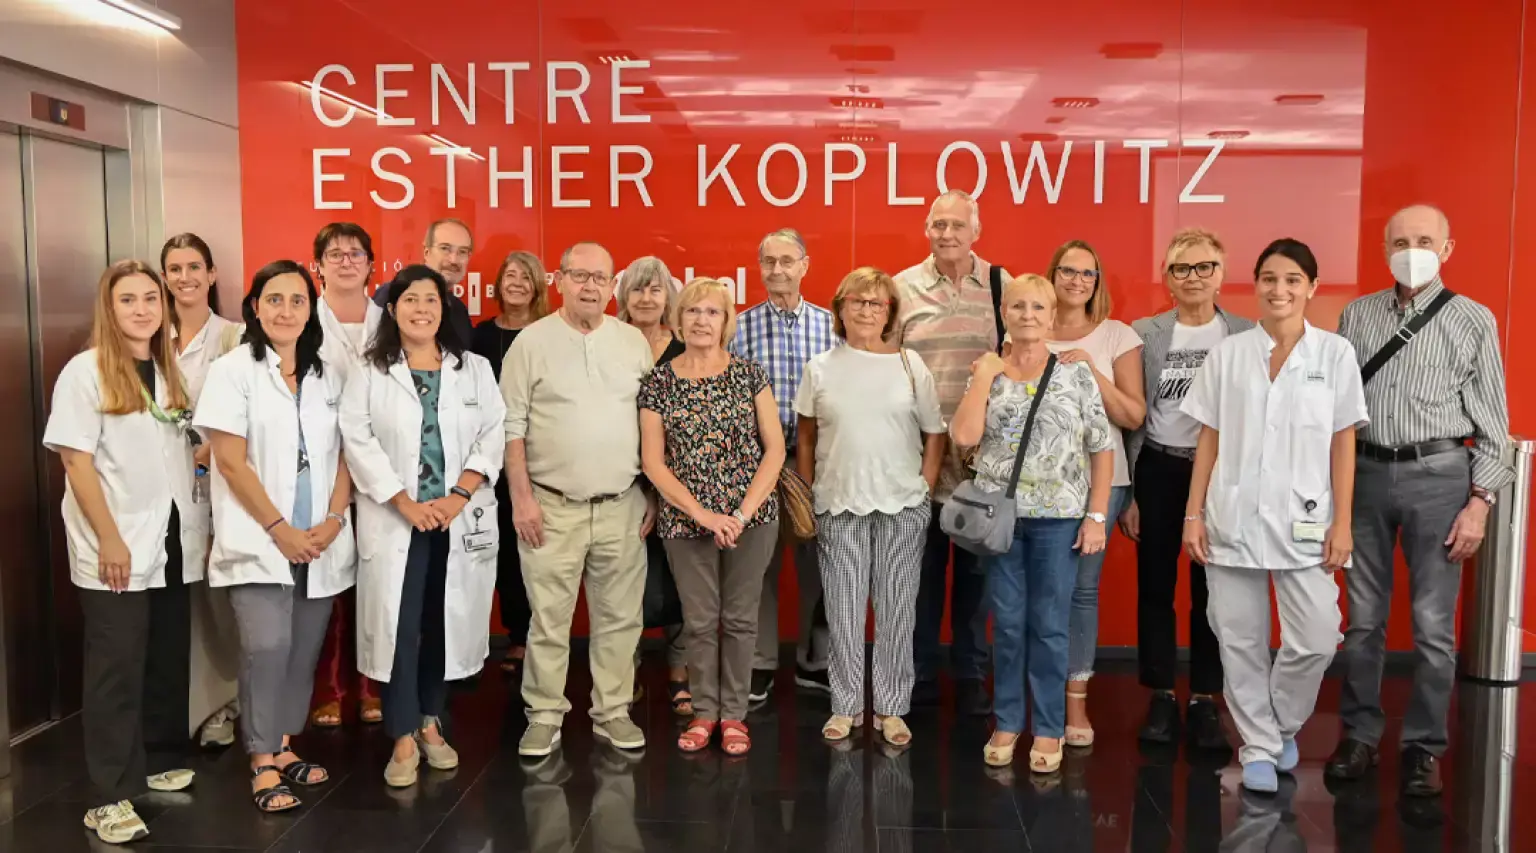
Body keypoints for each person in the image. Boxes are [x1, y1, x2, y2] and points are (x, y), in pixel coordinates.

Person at [1328, 204, 1513, 796]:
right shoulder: (1355, 316)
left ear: (1448, 247)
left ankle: (1423, 747)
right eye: (1402, 240)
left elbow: (1495, 428)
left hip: (1440, 474)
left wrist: (1479, 502)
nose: (1413, 249)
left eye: (1425, 239)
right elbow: (1334, 409)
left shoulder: (1473, 320)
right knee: (1361, 622)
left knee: (1434, 626)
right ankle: (1359, 734)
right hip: (1364, 473)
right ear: (1384, 249)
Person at [1180, 239, 1366, 793]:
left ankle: (1277, 726)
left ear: (1311, 286)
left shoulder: (1334, 355)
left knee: (1316, 637)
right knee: (1238, 637)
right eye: (1268, 278)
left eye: (1291, 279)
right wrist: (1193, 515)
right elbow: (1207, 441)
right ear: (1255, 285)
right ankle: (1259, 748)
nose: (1279, 289)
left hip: (1308, 520)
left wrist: (1343, 522)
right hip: (1230, 516)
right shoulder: (1228, 355)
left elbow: (1343, 443)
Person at [43, 260, 200, 844]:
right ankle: (108, 797)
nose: (142, 309)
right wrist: (108, 536)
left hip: (171, 534)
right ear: (109, 310)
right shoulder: (85, 373)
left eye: (150, 299)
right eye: (128, 300)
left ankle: (156, 758)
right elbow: (76, 462)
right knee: (115, 666)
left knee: (164, 655)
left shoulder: (167, 368)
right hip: (116, 540)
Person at [195, 260, 357, 813]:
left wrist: (333, 522)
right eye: (275, 299)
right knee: (266, 646)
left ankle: (285, 745)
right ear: (256, 307)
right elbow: (231, 463)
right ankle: (261, 757)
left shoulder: (327, 374)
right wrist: (280, 530)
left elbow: (345, 456)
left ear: (310, 310)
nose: (286, 310)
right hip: (261, 538)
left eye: (297, 301)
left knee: (302, 650)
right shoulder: (233, 370)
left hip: (320, 538)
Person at [342, 265, 507, 787]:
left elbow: (492, 433)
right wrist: (403, 502)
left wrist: (458, 495)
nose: (421, 310)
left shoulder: (474, 368)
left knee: (443, 620)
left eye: (431, 301)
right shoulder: (370, 370)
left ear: (445, 309)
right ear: (393, 310)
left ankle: (432, 721)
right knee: (398, 627)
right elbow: (357, 438)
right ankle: (400, 732)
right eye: (410, 300)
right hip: (396, 520)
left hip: (456, 518)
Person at [949, 274, 1113, 773]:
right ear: (1004, 310)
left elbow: (1102, 449)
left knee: (1049, 626)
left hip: (1060, 520)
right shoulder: (988, 370)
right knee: (1010, 623)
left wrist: (1097, 517)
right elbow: (963, 436)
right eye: (1017, 306)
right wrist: (983, 377)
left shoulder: (1075, 374)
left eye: (1037, 308)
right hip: (1001, 519)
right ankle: (1008, 721)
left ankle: (1047, 726)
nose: (1027, 315)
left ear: (1051, 314)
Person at [501, 241, 655, 757]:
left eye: (600, 278)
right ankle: (544, 713)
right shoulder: (530, 342)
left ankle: (612, 711)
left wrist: (651, 493)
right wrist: (521, 499)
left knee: (620, 618)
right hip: (551, 506)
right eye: (579, 276)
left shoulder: (633, 341)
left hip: (622, 503)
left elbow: (652, 424)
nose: (590, 287)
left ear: (613, 288)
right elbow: (511, 427)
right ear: (559, 280)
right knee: (548, 619)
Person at [795, 268, 945, 747]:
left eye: (876, 303)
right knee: (842, 610)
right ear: (839, 308)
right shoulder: (819, 367)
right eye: (856, 301)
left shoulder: (908, 365)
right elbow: (806, 433)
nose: (865, 309)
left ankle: (891, 708)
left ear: (890, 313)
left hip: (903, 503)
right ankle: (845, 707)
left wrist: (925, 484)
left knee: (898, 610)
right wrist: (811, 488)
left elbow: (934, 432)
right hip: (838, 503)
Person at [641, 277, 784, 755]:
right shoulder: (658, 381)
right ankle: (704, 713)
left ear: (727, 322)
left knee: (742, 620)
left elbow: (776, 450)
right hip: (686, 521)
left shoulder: (749, 374)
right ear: (679, 320)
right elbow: (653, 462)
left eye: (713, 312)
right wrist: (704, 514)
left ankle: (735, 715)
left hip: (753, 518)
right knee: (700, 621)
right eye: (693, 312)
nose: (702, 320)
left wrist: (739, 514)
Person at [1123, 227, 1251, 751]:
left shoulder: (1245, 334)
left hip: (1220, 475)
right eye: (1181, 268)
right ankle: (1159, 695)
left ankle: (1203, 698)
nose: (1193, 277)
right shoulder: (1145, 331)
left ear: (1221, 274)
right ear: (1167, 277)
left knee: (1211, 591)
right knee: (1154, 586)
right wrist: (1129, 491)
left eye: (1204, 267)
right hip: (1157, 466)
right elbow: (1133, 413)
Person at [894, 189, 1010, 714]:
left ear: (976, 231)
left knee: (975, 578)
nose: (946, 234)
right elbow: (887, 363)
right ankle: (916, 677)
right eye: (937, 224)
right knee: (918, 577)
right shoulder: (902, 287)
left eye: (956, 225)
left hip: (980, 460)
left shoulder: (999, 285)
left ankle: (968, 675)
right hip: (918, 454)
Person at [1041, 240, 1145, 747]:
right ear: (1052, 275)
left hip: (1104, 484)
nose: (1077, 281)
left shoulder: (1117, 336)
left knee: (1080, 592)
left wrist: (1088, 370)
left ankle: (1075, 706)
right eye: (1068, 271)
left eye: (1088, 272)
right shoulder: (1030, 330)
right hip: (1039, 487)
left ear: (1097, 281)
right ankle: (1038, 702)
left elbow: (1132, 415)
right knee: (1041, 592)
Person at [728, 228, 836, 701]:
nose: (777, 270)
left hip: (818, 461)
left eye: (787, 261)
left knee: (820, 563)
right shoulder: (739, 327)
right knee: (759, 564)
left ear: (805, 265)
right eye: (768, 261)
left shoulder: (833, 326)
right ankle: (759, 663)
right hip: (758, 463)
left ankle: (816, 659)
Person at [162, 232, 240, 748]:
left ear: (212, 275)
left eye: (195, 267)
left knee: (219, 602)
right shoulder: (150, 337)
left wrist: (211, 445)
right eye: (174, 268)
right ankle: (175, 709)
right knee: (176, 603)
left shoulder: (233, 337)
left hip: (222, 485)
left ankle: (223, 707)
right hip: (161, 488)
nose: (185, 277)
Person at [309, 222, 384, 728]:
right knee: (328, 585)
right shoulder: (304, 319)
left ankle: (372, 686)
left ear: (371, 265)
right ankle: (328, 689)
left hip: (382, 468)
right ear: (318, 266)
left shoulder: (391, 320)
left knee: (377, 584)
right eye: (333, 254)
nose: (345, 261)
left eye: (355, 253)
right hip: (323, 465)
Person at [469, 250, 550, 679]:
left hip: (542, 461)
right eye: (509, 275)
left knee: (538, 553)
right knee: (498, 555)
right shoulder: (478, 338)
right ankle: (517, 636)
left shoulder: (550, 335)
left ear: (539, 285)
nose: (516, 283)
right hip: (487, 463)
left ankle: (542, 638)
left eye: (525, 276)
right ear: (497, 285)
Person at [617, 255, 690, 715]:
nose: (646, 298)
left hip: (678, 484)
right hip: (622, 482)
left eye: (655, 289)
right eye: (638, 289)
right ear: (623, 295)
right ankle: (627, 668)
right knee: (624, 583)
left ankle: (680, 672)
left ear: (669, 297)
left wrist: (664, 490)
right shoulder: (608, 343)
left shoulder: (684, 348)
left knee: (681, 580)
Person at [372, 217, 475, 342]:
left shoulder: (459, 310)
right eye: (445, 248)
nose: (453, 260)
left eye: (462, 251)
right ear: (427, 252)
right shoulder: (392, 293)